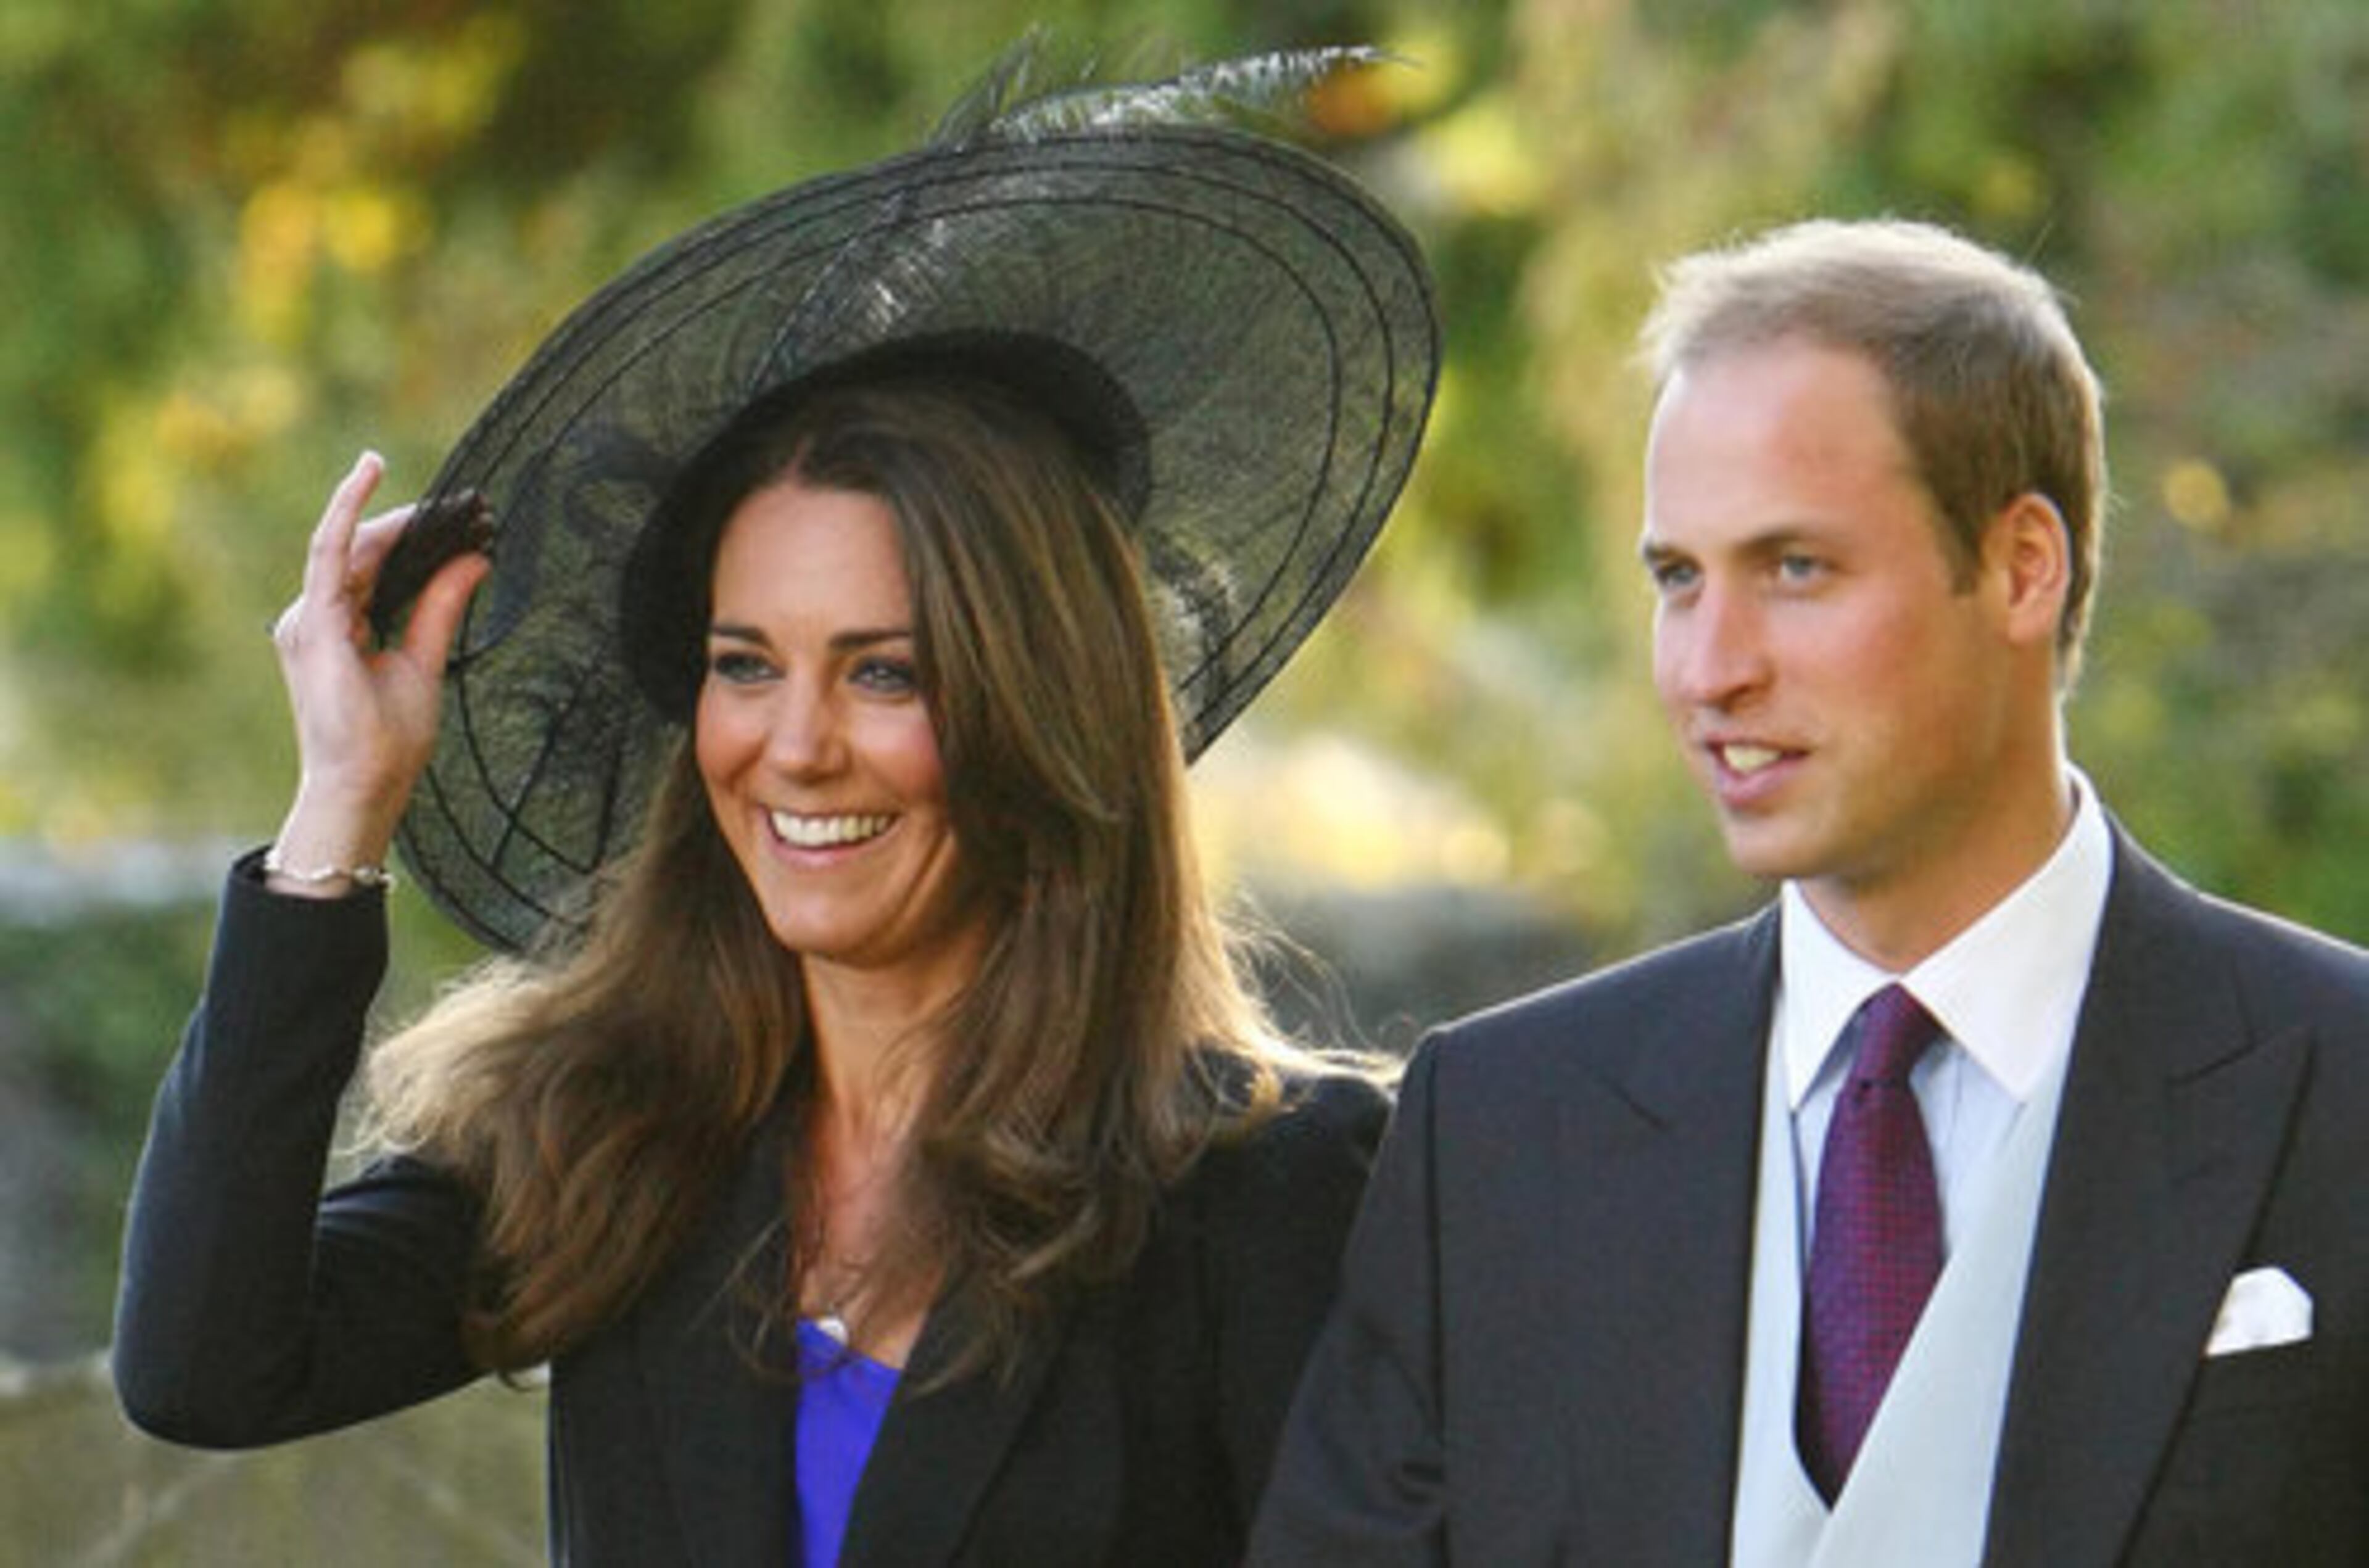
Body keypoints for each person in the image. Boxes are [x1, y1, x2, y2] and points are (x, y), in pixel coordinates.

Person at [112, 45, 1438, 1567]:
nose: (793, 746)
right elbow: (204, 1364)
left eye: (885, 672)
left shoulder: (1273, 1192)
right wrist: (339, 807)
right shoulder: (622, 1132)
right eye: (747, 663)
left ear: (1039, 704)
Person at [1249, 217, 2369, 1565]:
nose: (1710, 668)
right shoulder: (1495, 1135)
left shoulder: (2340, 1079)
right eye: (1678, 578)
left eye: (1795, 569)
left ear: (2023, 566)